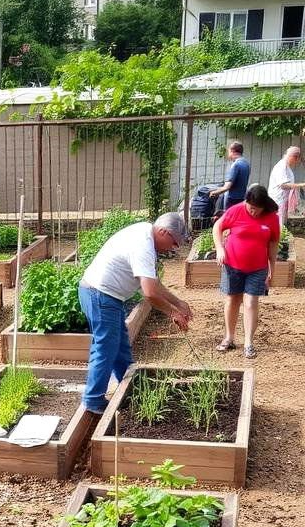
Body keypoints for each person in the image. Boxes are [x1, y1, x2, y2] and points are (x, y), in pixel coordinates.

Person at [78, 212, 193, 415]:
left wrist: (178, 302)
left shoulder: (145, 234)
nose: (173, 248)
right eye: (174, 243)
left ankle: (130, 386)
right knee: (105, 347)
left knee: (119, 345)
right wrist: (173, 313)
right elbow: (150, 294)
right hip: (100, 295)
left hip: (103, 294)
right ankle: (93, 400)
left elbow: (152, 283)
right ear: (163, 232)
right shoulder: (144, 246)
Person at [214, 183, 279, 360]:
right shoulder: (235, 210)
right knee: (232, 299)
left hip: (257, 268)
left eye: (258, 209)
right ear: (246, 202)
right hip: (232, 264)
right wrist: (220, 248)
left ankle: (249, 343)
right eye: (251, 208)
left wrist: (272, 269)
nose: (254, 212)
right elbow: (217, 227)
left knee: (250, 302)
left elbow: (273, 244)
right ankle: (229, 337)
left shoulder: (272, 217)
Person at [209, 142, 250, 214]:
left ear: (232, 151)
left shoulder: (236, 165)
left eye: (229, 152)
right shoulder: (246, 164)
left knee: (229, 220)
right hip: (242, 198)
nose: (228, 154)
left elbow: (227, 187)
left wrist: (214, 192)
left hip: (232, 199)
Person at [268, 146, 305, 226]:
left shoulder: (286, 166)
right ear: (294, 157)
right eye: (297, 160)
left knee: (281, 224)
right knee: (278, 224)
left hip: (282, 200)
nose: (296, 163)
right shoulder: (282, 166)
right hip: (277, 200)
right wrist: (300, 185)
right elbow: (283, 185)